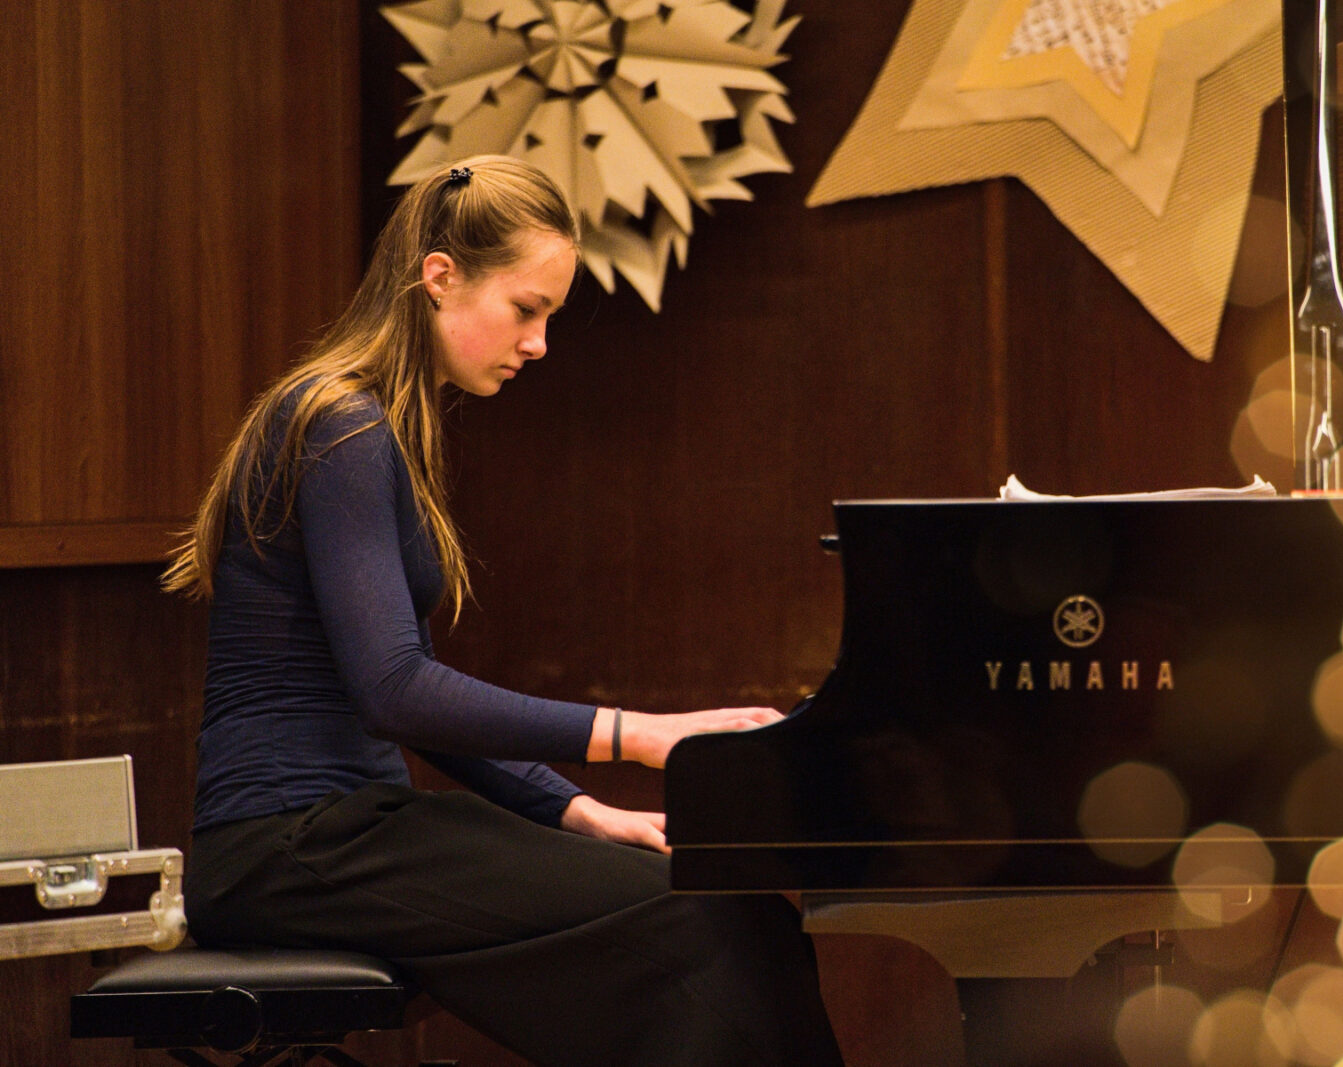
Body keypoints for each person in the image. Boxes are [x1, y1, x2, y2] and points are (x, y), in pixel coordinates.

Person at [161, 155, 844, 1067]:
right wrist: (639, 734)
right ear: (440, 277)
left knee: (733, 910)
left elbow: (410, 697)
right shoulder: (339, 423)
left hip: (340, 830)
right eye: (527, 309)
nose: (539, 343)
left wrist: (576, 810)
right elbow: (397, 691)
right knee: (702, 920)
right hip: (287, 847)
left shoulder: (377, 426)